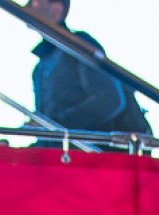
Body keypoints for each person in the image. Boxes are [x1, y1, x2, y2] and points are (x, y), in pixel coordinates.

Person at [23, 0, 150, 137]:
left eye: (35, 1)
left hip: (97, 148)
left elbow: (108, 100)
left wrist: (54, 125)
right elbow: (48, 136)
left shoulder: (78, 45)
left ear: (56, 9)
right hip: (65, 148)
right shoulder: (40, 68)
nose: (27, 6)